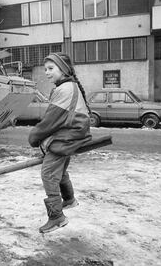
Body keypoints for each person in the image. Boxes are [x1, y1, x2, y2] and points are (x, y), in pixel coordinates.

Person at [28, 53, 91, 234]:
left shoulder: (64, 89)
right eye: (45, 69)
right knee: (59, 170)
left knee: (48, 173)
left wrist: (34, 137)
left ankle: (56, 217)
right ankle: (69, 199)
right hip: (75, 131)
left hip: (69, 135)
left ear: (63, 69)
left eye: (50, 69)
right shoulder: (70, 86)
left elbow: (50, 121)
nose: (46, 73)